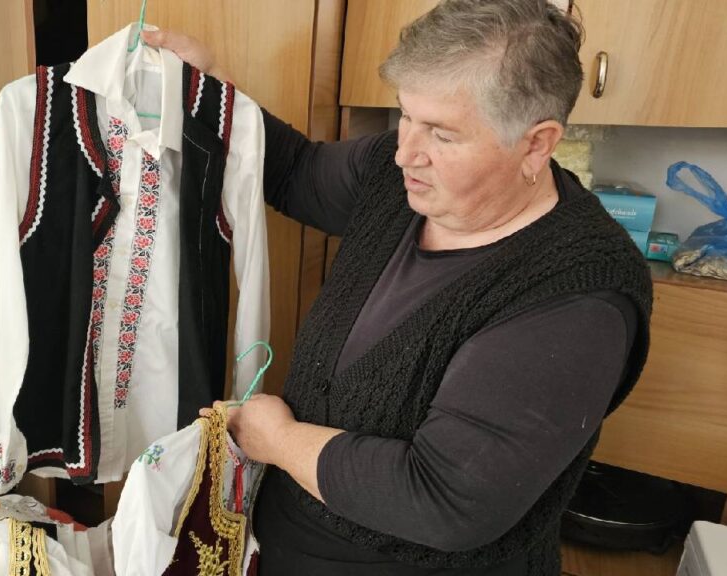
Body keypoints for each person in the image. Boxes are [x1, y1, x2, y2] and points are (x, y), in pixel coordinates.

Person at [143, 1, 652, 574]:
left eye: (442, 134)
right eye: (406, 116)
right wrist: (203, 87)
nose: (406, 152)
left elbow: (444, 502)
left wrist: (280, 441)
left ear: (536, 144)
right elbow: (293, 170)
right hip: (287, 540)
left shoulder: (576, 299)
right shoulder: (394, 176)